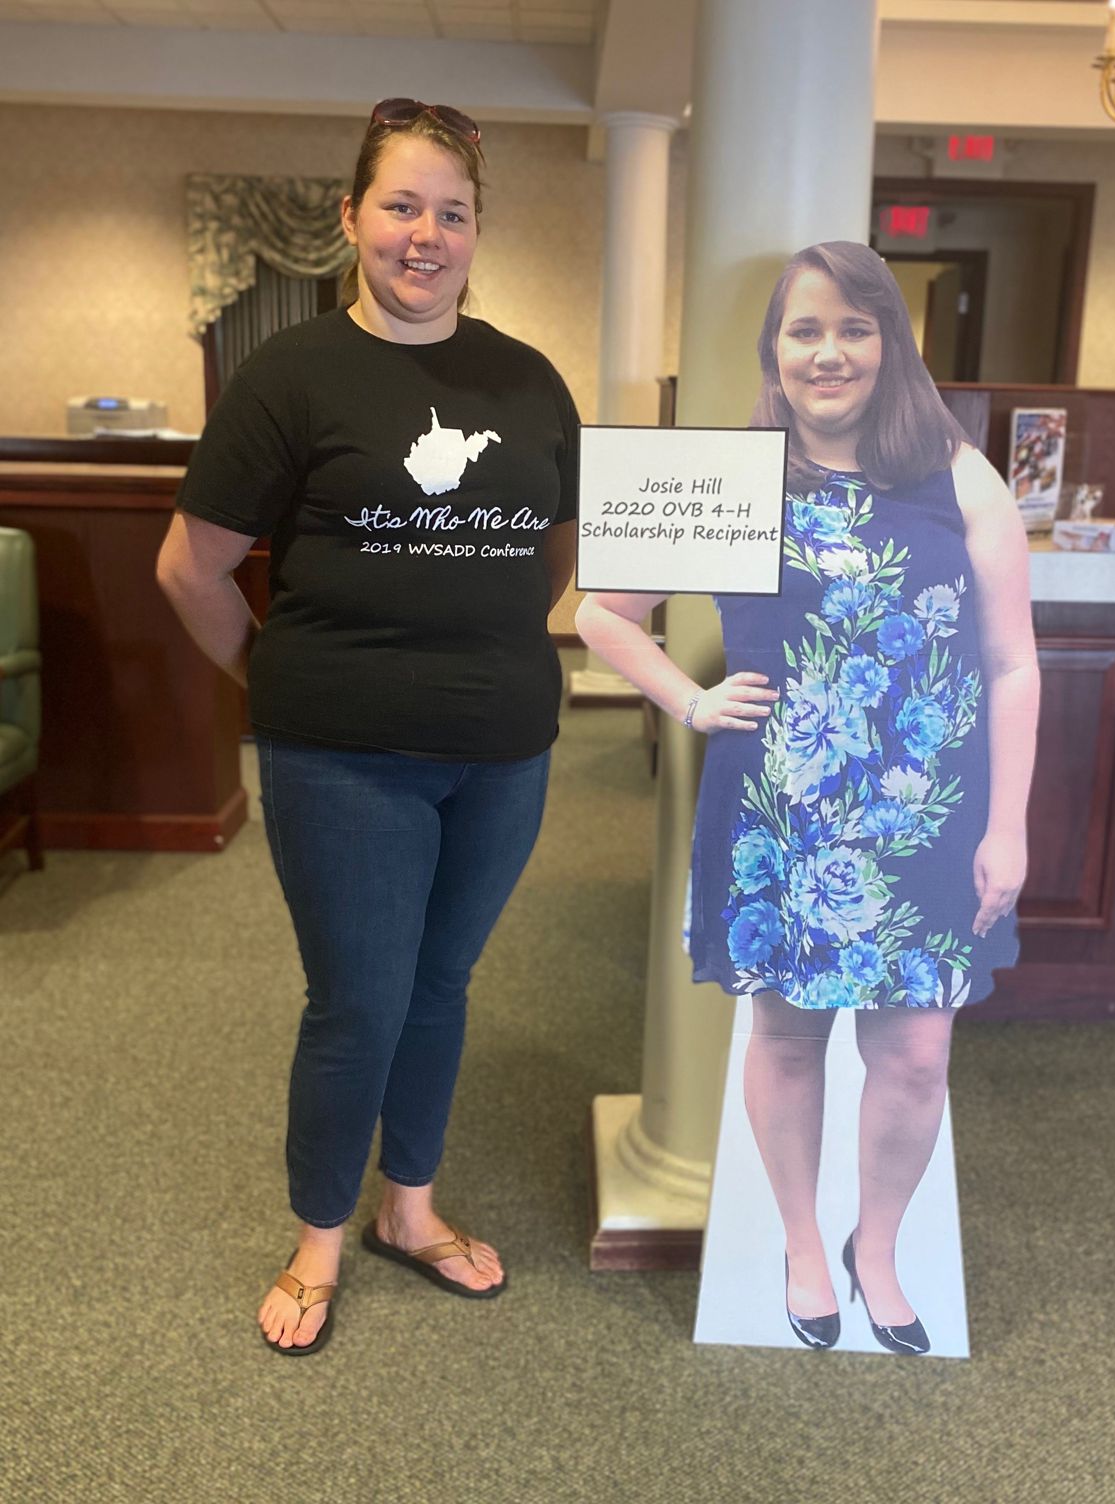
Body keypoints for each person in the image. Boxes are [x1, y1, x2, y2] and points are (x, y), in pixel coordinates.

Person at [157, 100, 579, 1355]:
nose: (425, 235)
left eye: (452, 212)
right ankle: (319, 1238)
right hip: (341, 759)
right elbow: (189, 570)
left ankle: (410, 1208)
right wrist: (279, 681)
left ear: (477, 231)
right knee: (357, 1001)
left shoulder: (527, 378)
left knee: (441, 985)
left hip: (503, 752)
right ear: (351, 217)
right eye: (401, 205)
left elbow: (556, 547)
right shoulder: (291, 377)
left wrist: (479, 647)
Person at [576, 242, 1038, 1354]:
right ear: (774, 351)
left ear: (890, 343)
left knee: (914, 1052)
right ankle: (800, 1241)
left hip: (929, 817)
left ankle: (875, 1246)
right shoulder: (736, 479)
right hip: (782, 818)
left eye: (854, 328)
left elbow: (1013, 663)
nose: (829, 352)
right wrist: (691, 701)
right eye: (805, 330)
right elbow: (599, 613)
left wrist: (1009, 826)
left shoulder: (960, 475)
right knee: (785, 1039)